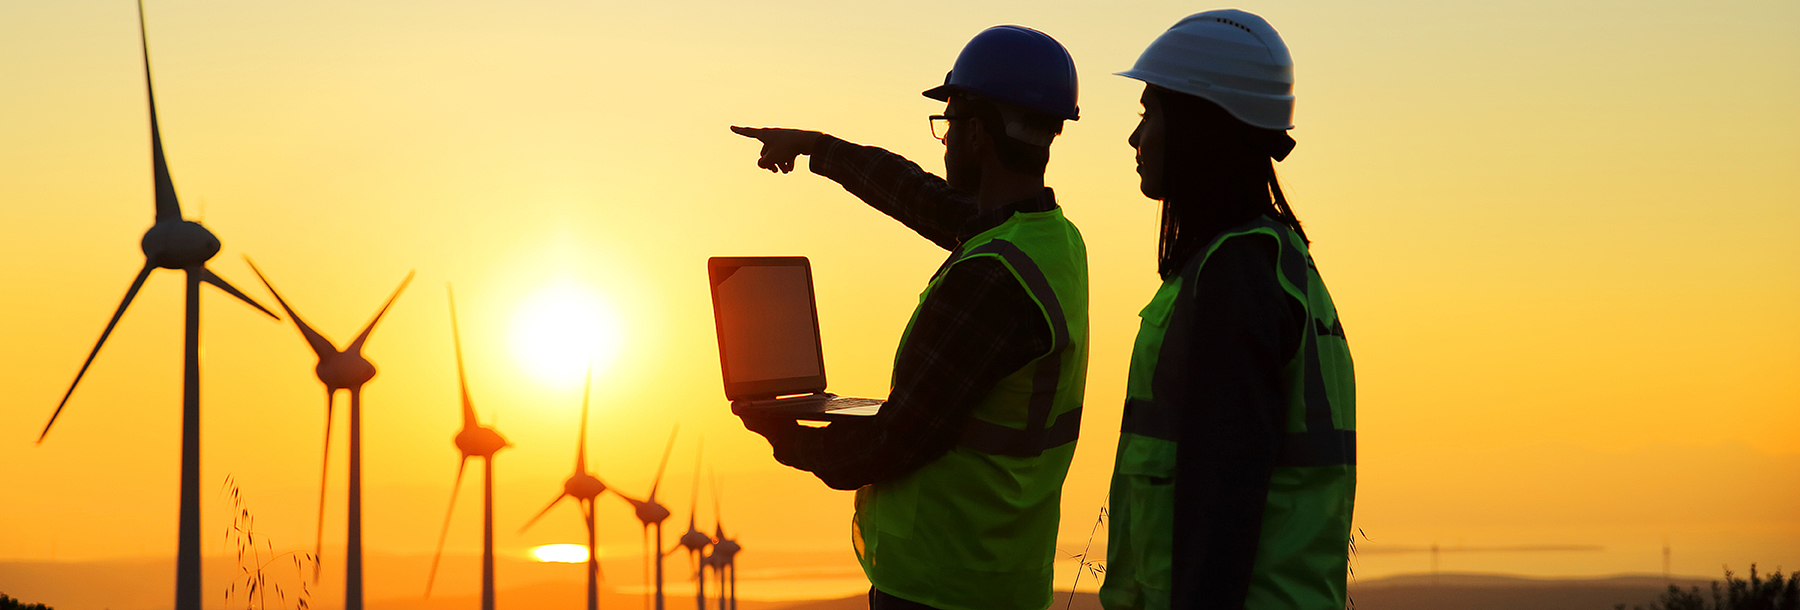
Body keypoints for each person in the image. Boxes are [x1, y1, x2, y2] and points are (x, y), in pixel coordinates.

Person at [729, 25, 1090, 610]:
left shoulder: (988, 280)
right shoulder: (1052, 243)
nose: (942, 143)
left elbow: (897, 440)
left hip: (941, 587)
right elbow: (923, 198)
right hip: (1004, 577)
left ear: (976, 133)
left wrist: (788, 436)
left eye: (947, 125)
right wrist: (818, 148)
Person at [1098, 10, 1357, 610]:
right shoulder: (1273, 264)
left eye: (1148, 113)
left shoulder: (1235, 281)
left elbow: (1220, 512)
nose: (1137, 138)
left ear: (1198, 122)